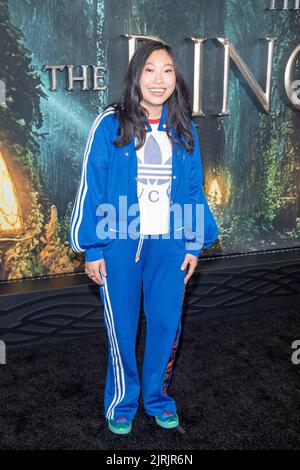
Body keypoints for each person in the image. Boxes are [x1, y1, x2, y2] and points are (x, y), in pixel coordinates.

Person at [68, 41, 219, 435]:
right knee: (122, 326)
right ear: (136, 74)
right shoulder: (110, 123)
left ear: (176, 78)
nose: (158, 79)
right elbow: (92, 185)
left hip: (169, 245)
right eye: (150, 69)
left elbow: (191, 189)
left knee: (167, 324)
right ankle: (122, 401)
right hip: (119, 241)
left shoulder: (184, 127)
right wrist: (93, 247)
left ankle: (156, 398)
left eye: (167, 70)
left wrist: (192, 243)